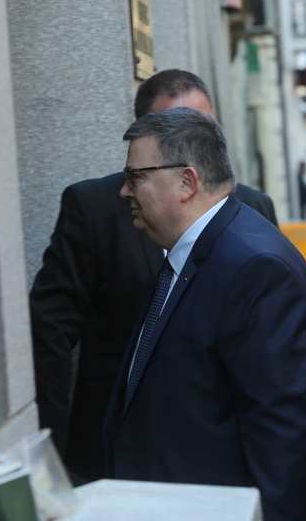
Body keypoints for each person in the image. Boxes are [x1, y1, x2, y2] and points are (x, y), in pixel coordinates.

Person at [102, 107, 306, 520]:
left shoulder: (255, 268)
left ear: (186, 182)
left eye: (135, 176)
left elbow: (284, 438)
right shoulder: (201, 252)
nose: (124, 191)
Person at [30, 69, 277, 483]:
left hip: (220, 456)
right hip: (117, 454)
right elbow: (49, 334)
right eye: (179, 129)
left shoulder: (253, 209)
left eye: (206, 127)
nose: (198, 143)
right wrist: (51, 456)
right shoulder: (94, 208)